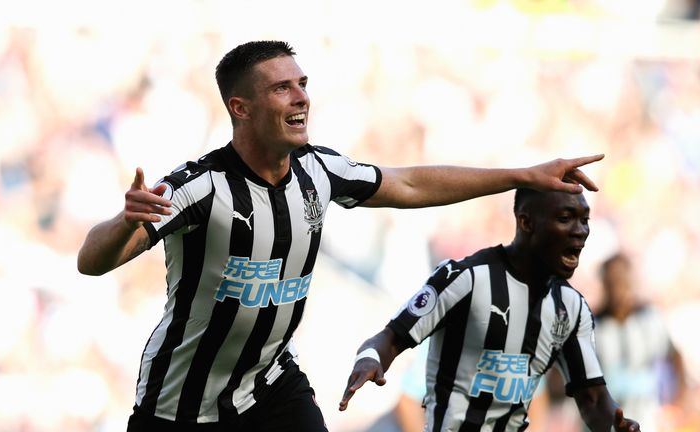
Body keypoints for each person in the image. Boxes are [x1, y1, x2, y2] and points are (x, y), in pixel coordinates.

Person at [77, 40, 605, 431]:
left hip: (268, 385)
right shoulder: (201, 187)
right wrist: (125, 222)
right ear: (241, 108)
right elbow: (91, 261)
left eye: (303, 84)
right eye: (282, 87)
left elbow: (408, 182)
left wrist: (521, 176)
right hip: (178, 405)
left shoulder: (319, 172)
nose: (301, 97)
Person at [339, 188, 641, 432]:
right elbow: (393, 342)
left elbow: (591, 396)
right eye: (566, 218)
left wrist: (615, 424)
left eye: (585, 220)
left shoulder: (569, 308)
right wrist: (372, 356)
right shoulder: (466, 281)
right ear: (526, 222)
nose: (580, 232)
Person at [593, 252, 686, 432]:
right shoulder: (593, 325)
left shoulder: (650, 319)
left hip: (646, 420)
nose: (616, 288)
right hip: (605, 424)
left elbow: (675, 356)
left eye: (620, 280)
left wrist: (677, 400)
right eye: (611, 282)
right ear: (604, 284)